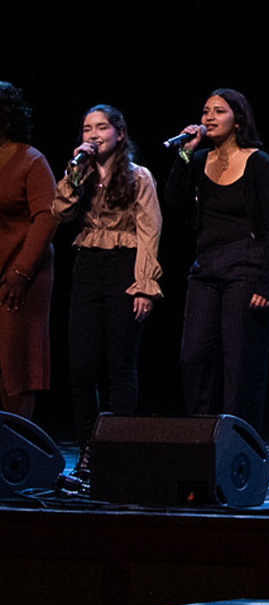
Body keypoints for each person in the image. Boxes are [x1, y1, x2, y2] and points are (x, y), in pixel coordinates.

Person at [163, 88, 269, 429]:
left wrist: (266, 282)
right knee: (194, 358)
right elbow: (174, 202)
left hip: (247, 267)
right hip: (206, 266)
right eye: (205, 112)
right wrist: (184, 155)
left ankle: (238, 443)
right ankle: (203, 436)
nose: (209, 118)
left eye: (219, 111)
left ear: (238, 120)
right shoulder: (199, 160)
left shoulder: (260, 164)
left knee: (239, 364)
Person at [52, 104, 162, 448]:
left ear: (119, 132)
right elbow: (60, 211)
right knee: (81, 367)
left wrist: (144, 285)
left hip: (124, 266)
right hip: (88, 266)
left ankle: (119, 448)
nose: (93, 135)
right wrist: (73, 172)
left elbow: (150, 233)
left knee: (120, 364)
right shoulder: (80, 175)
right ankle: (88, 448)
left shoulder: (138, 176)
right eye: (87, 129)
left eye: (101, 128)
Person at [0, 82, 56, 419]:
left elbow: (48, 217)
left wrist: (22, 270)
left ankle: (15, 451)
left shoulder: (30, 160)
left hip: (22, 275)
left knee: (15, 362)